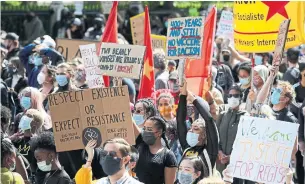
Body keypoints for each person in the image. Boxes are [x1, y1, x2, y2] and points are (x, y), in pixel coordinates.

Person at [177, 79, 219, 176]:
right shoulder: (186, 148)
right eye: (191, 128)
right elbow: (180, 121)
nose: (190, 131)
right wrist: (183, 95)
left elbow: (209, 120)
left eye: (196, 129)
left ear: (204, 135)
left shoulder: (209, 151)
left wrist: (194, 100)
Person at [75, 138, 143, 184]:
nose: (107, 157)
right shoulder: (100, 182)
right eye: (104, 153)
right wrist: (90, 158)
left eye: (112, 154)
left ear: (125, 159)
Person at [133, 116, 177, 184]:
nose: (145, 132)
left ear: (159, 132)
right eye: (144, 128)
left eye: (149, 129)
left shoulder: (168, 156)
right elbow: (130, 122)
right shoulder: (141, 144)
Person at [216, 85, 248, 175]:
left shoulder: (246, 117)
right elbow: (216, 137)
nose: (232, 98)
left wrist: (231, 157)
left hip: (237, 164)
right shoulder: (222, 115)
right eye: (230, 96)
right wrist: (220, 152)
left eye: (236, 95)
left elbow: (246, 143)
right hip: (220, 162)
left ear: (241, 97)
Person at [12, 109, 43, 177]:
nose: (23, 119)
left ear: (35, 124)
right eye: (24, 116)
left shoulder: (38, 142)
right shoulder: (16, 140)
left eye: (28, 117)